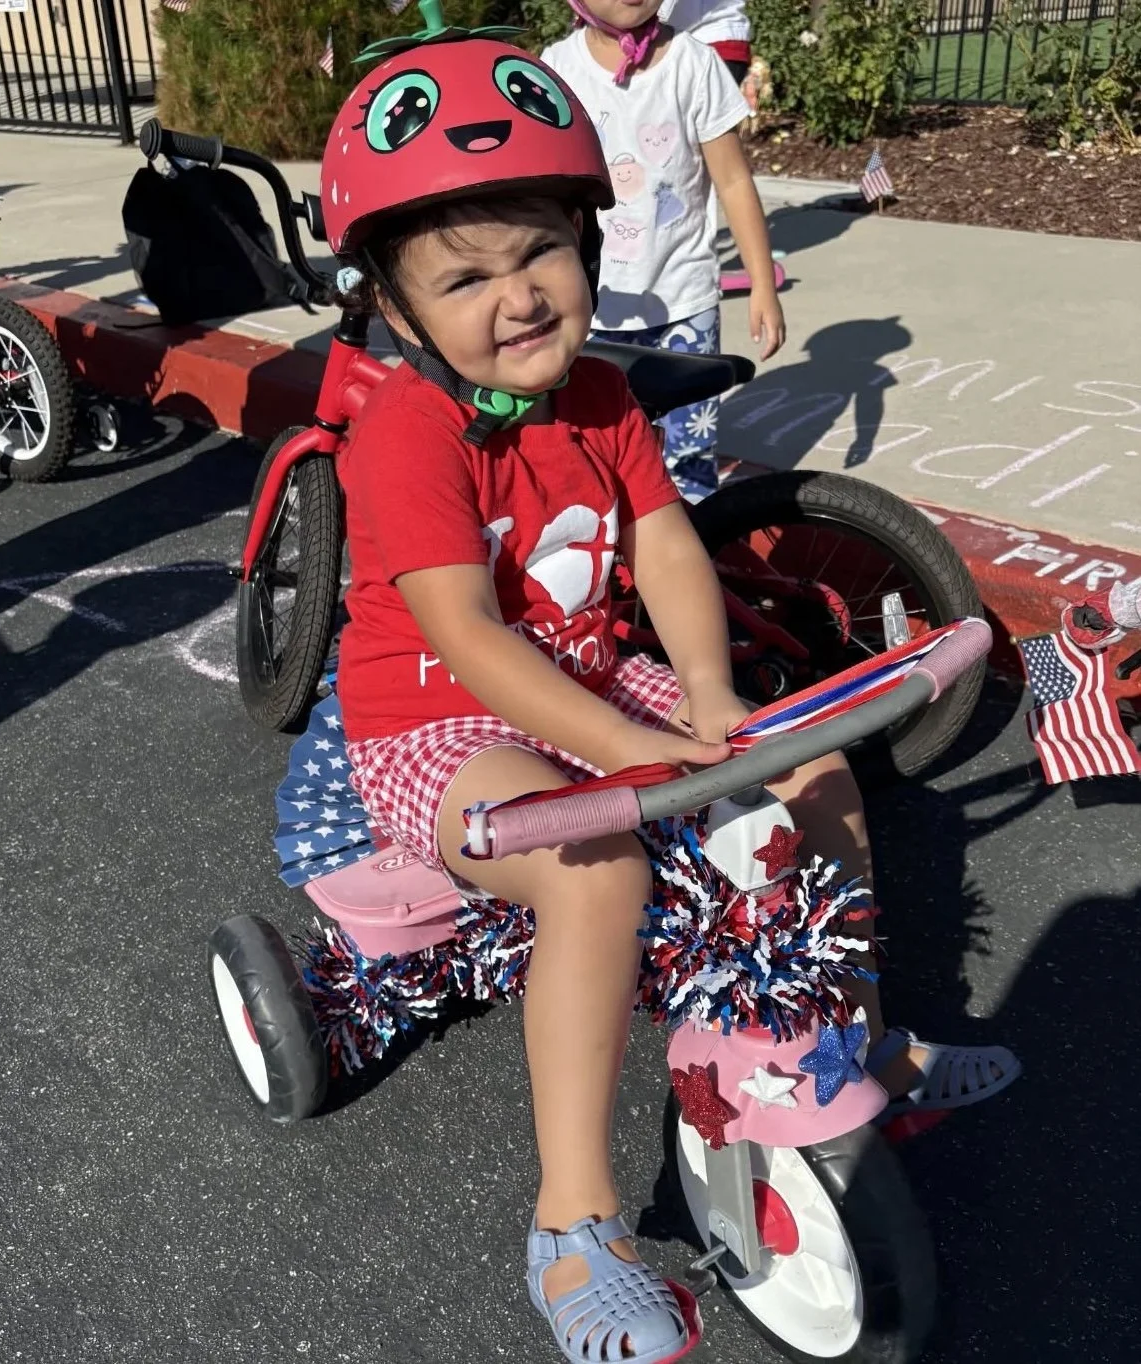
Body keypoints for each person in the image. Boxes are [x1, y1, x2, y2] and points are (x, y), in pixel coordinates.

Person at [319, 27, 1018, 1364]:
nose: (516, 294)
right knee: (594, 863)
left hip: (589, 674)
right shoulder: (404, 433)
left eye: (539, 250)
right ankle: (573, 1220)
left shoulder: (602, 397)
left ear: (588, 239)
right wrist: (630, 755)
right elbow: (465, 638)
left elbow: (661, 547)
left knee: (810, 766)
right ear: (395, 311)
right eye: (464, 277)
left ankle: (856, 1036)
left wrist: (702, 691)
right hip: (436, 724)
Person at [541, 0, 784, 501]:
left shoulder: (695, 64)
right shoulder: (557, 70)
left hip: (684, 302)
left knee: (688, 459)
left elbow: (733, 180)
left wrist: (762, 282)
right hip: (591, 310)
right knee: (594, 454)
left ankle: (695, 558)